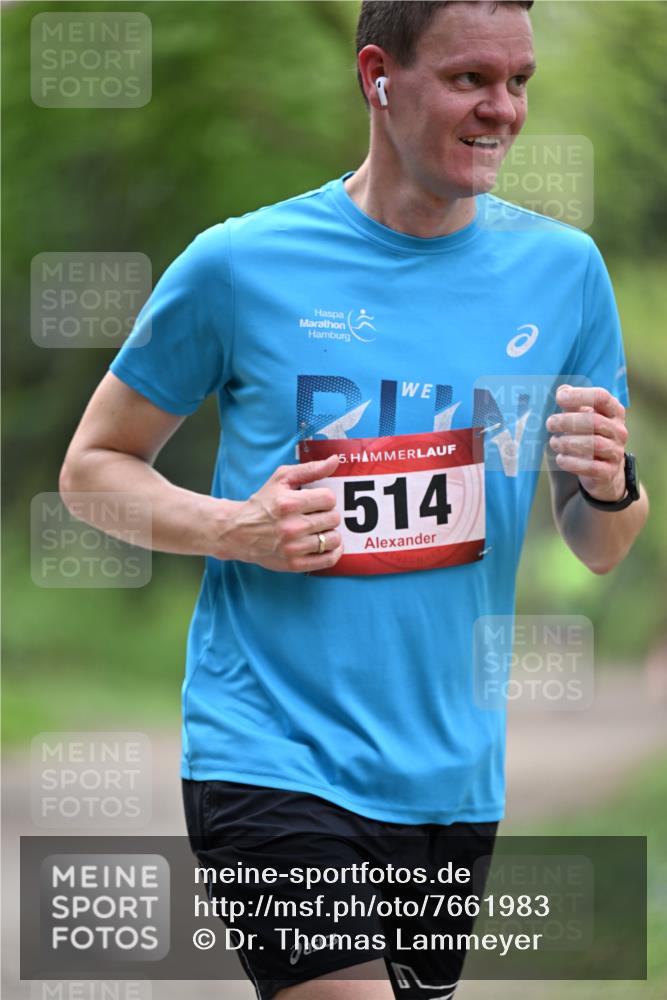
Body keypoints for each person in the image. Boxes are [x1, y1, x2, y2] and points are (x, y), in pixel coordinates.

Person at [59, 2, 649, 998]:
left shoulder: (562, 276)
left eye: (518, 81)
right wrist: (234, 528)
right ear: (378, 75)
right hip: (269, 749)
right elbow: (92, 471)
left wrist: (609, 483)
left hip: (452, 776)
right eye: (469, 80)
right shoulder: (242, 265)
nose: (502, 109)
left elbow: (598, 542)